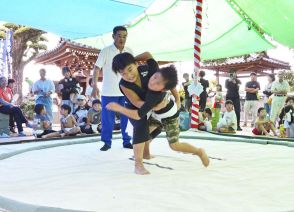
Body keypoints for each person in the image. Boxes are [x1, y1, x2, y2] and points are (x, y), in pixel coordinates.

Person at [108, 52, 209, 175]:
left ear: (136, 64)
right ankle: (139, 163)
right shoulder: (125, 84)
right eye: (123, 73)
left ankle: (199, 152)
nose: (128, 75)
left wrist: (177, 99)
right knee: (141, 129)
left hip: (166, 115)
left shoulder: (150, 80)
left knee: (174, 145)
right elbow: (137, 102)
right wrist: (153, 107)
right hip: (144, 108)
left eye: (130, 69)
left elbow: (167, 80)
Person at [91, 26, 132, 151]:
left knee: (127, 118)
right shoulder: (106, 51)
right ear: (113, 36)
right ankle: (107, 142)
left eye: (124, 36)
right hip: (109, 92)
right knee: (107, 119)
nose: (122, 39)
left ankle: (127, 141)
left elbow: (133, 69)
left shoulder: (129, 51)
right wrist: (94, 86)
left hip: (126, 91)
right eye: (119, 36)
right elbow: (97, 68)